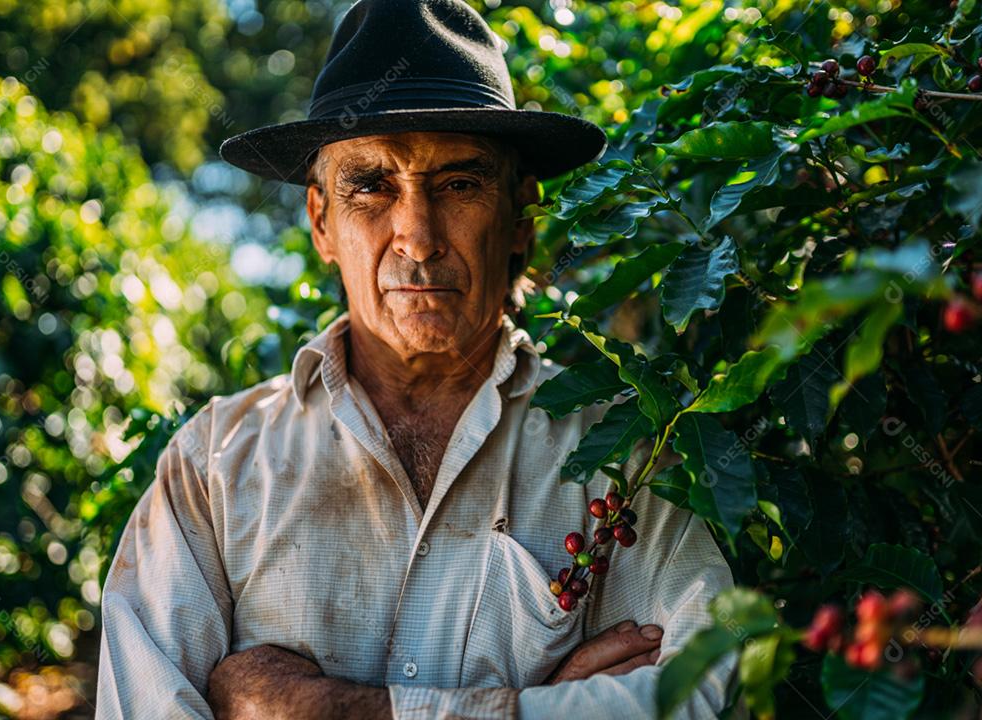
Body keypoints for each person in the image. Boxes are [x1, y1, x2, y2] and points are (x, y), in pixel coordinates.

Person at [94, 0, 738, 717]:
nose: (419, 236)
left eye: (460, 184)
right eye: (370, 186)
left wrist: (326, 710)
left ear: (520, 216)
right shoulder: (212, 470)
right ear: (321, 223)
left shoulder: (625, 454)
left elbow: (703, 693)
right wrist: (533, 706)